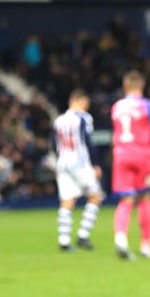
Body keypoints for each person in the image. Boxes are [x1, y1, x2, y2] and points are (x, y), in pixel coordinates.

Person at [111, 70, 150, 261]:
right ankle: (146, 246)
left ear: (125, 87)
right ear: (141, 87)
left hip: (121, 155)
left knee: (125, 200)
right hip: (142, 155)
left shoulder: (117, 107)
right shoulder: (148, 106)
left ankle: (120, 239)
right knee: (144, 199)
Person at [52, 89, 103, 252]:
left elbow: (54, 144)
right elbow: (88, 141)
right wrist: (95, 164)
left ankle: (64, 240)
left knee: (67, 200)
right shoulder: (84, 118)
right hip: (79, 162)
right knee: (96, 196)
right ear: (81, 102)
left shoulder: (59, 120)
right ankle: (83, 235)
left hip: (62, 161)